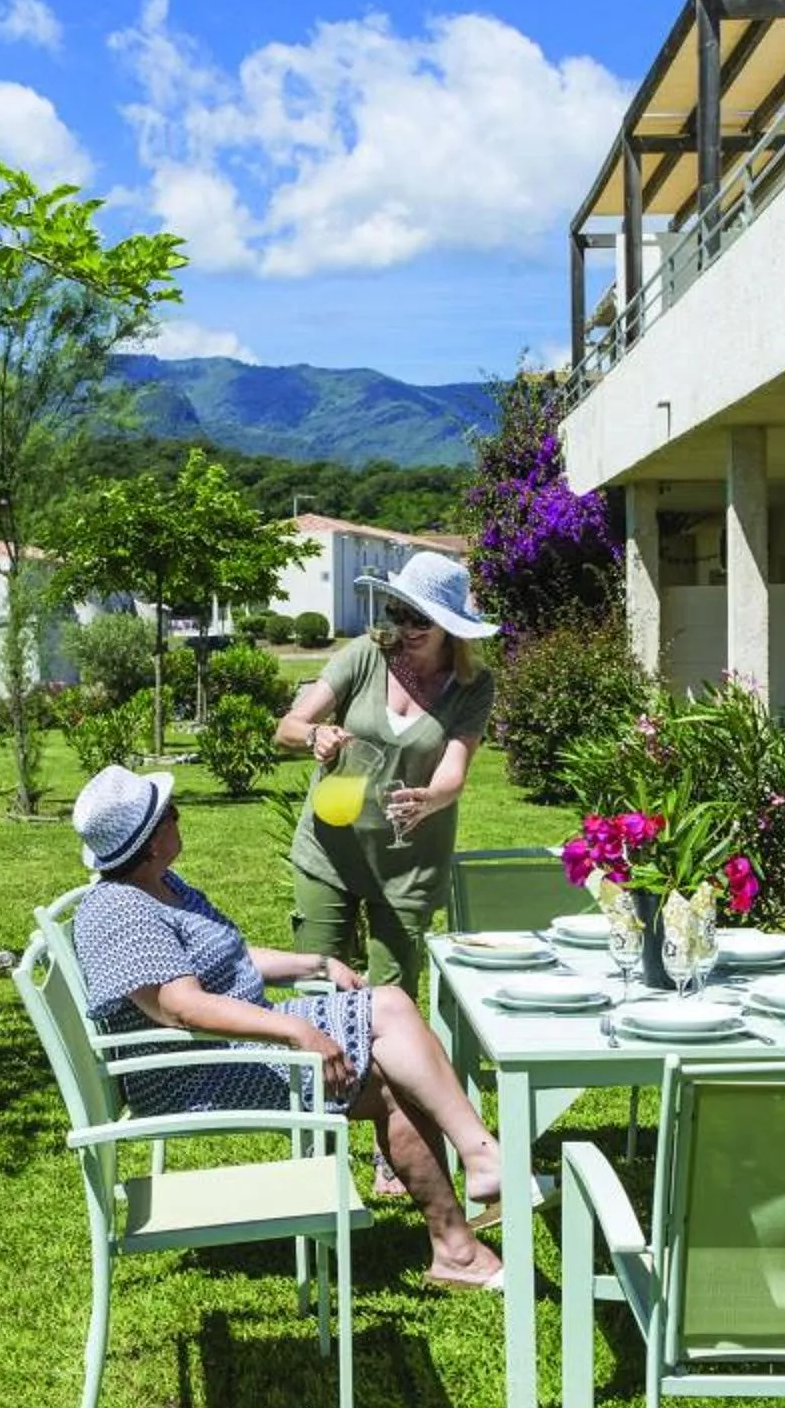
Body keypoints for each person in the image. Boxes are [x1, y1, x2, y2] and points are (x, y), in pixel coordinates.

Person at [67, 764, 505, 1290]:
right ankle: (468, 1207)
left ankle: (472, 1189)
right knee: (390, 1064)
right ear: (150, 842)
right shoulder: (121, 913)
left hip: (230, 1044)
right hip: (199, 1072)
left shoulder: (158, 885)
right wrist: (297, 1034)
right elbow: (181, 1007)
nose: (179, 815)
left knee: (387, 1011)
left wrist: (315, 965)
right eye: (169, 813)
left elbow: (224, 960)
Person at [274, 550, 497, 1196]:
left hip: (408, 866)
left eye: (417, 617)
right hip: (329, 852)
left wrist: (431, 798)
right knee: (318, 994)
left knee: (388, 1007)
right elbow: (289, 725)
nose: (402, 626)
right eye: (396, 612)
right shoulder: (364, 656)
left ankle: (391, 1148)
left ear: (449, 625)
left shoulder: (471, 687)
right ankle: (313, 1151)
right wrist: (311, 736)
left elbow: (455, 768)